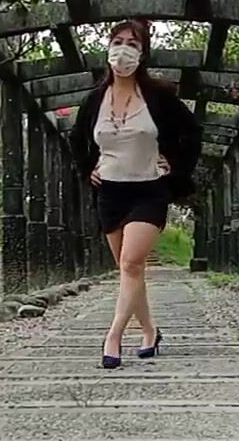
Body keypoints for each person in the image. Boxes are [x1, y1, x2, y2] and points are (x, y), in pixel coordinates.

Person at [70, 19, 202, 369]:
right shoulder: (94, 99)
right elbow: (77, 139)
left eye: (132, 44)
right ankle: (150, 331)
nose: (123, 50)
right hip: (110, 192)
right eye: (118, 41)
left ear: (142, 54)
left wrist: (176, 165)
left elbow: (192, 132)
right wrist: (88, 168)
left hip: (149, 189)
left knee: (130, 263)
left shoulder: (158, 96)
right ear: (108, 48)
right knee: (130, 269)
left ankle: (113, 335)